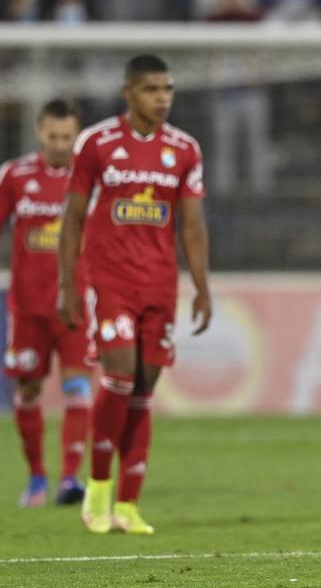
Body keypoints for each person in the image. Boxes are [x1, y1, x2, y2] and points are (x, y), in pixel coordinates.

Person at [61, 54, 212, 535]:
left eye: (167, 88)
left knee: (144, 391)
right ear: (128, 93)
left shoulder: (185, 149)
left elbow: (192, 224)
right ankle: (98, 487)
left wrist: (203, 287)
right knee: (120, 375)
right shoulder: (97, 143)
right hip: (109, 279)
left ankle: (128, 505)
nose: (162, 97)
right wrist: (68, 284)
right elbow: (73, 218)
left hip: (159, 284)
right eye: (151, 89)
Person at [3, 99, 93, 508]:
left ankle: (70, 479)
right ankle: (37, 477)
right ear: (40, 132)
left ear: (76, 135)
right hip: (27, 309)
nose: (59, 144)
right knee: (28, 390)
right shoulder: (15, 175)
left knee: (77, 387)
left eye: (66, 137)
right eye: (52, 136)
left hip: (72, 305)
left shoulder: (91, 178)